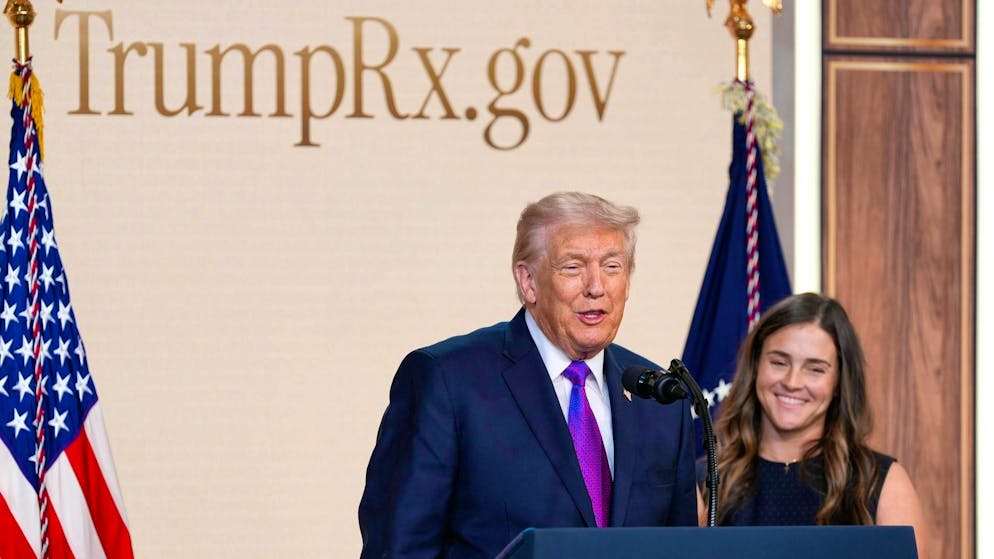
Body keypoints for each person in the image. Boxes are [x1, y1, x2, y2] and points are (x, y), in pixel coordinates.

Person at [358, 192, 699, 559]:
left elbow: (679, 549)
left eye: (612, 267)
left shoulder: (659, 399)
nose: (596, 286)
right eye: (573, 266)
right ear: (528, 281)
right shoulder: (447, 382)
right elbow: (399, 548)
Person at [704, 292, 927, 558]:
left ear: (839, 383)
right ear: (754, 367)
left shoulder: (880, 480)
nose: (793, 381)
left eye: (815, 369)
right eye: (778, 362)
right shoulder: (706, 480)